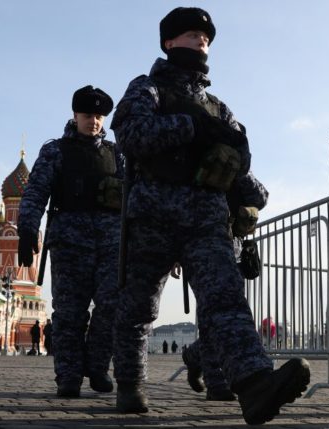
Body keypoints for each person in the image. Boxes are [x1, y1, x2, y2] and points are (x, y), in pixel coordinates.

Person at [109, 7, 310, 424]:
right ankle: (129, 384)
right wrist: (192, 127)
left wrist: (251, 193)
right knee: (138, 308)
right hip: (153, 215)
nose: (201, 40)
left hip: (205, 217)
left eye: (206, 36)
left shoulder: (218, 105)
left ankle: (254, 385)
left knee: (224, 299)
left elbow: (240, 155)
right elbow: (131, 135)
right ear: (168, 43)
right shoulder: (148, 89)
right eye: (191, 34)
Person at [19, 85, 123, 398]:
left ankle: (98, 364)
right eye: (88, 115)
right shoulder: (56, 151)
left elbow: (136, 197)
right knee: (69, 312)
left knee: (112, 305)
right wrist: (27, 229)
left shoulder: (118, 154)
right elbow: (36, 191)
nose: (94, 121)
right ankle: (68, 375)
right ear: (75, 115)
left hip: (111, 243)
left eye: (99, 116)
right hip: (69, 243)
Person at [180, 175, 268, 402]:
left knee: (222, 320)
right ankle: (216, 382)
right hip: (199, 247)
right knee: (211, 319)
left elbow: (261, 196)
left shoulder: (232, 163)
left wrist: (239, 168)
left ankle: (194, 356)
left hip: (233, 250)